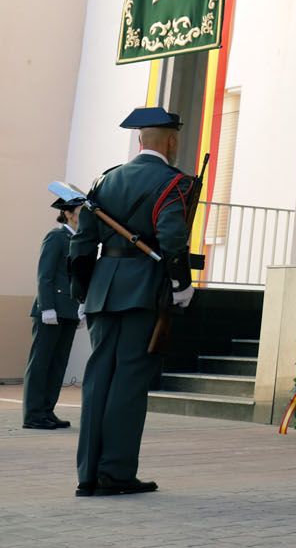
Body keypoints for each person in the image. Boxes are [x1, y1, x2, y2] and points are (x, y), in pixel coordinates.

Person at [68, 107, 196, 496]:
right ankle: (117, 473)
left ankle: (88, 474)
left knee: (97, 379)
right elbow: (172, 239)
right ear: (170, 141)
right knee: (129, 380)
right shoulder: (174, 183)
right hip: (143, 289)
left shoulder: (104, 181)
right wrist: (182, 284)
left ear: (140, 141)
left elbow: (82, 242)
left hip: (103, 289)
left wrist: (82, 292)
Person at [23, 196, 84, 429]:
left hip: (68, 311)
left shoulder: (79, 240)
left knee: (58, 364)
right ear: (68, 213)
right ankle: (33, 415)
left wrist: (80, 306)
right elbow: (45, 275)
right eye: (80, 210)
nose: (84, 215)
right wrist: (47, 307)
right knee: (41, 363)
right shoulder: (56, 237)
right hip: (51, 311)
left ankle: (48, 411)